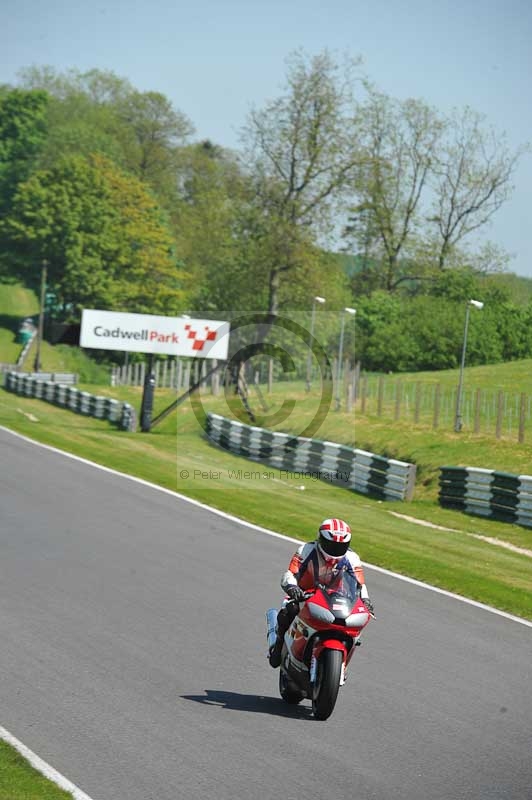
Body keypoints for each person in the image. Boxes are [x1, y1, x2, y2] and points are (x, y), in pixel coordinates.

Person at [268, 517, 374, 668]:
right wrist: (293, 588)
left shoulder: (352, 558)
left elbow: (359, 584)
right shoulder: (306, 550)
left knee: (353, 622)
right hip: (304, 594)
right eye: (330, 544)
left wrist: (366, 600)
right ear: (320, 539)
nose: (334, 549)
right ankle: (278, 648)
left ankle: (341, 662)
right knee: (288, 611)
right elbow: (290, 574)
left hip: (335, 597)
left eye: (340, 546)